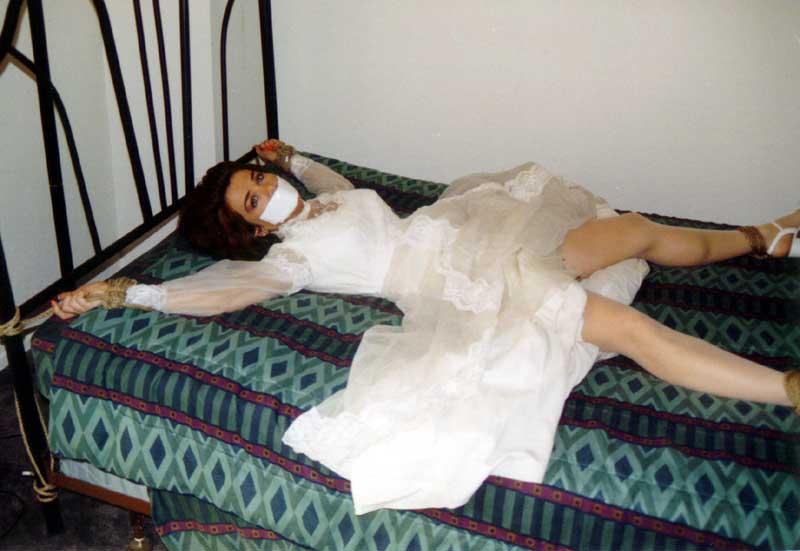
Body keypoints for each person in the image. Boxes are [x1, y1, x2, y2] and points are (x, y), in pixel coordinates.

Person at [52, 139, 800, 514]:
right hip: (459, 279)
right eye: (254, 201)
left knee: (633, 228)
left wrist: (294, 155)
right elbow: (221, 292)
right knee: (622, 328)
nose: (268, 190)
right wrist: (124, 292)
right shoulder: (291, 260)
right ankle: (785, 387)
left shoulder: (326, 202)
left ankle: (762, 236)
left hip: (473, 228)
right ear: (253, 231)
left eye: (259, 178)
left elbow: (338, 187)